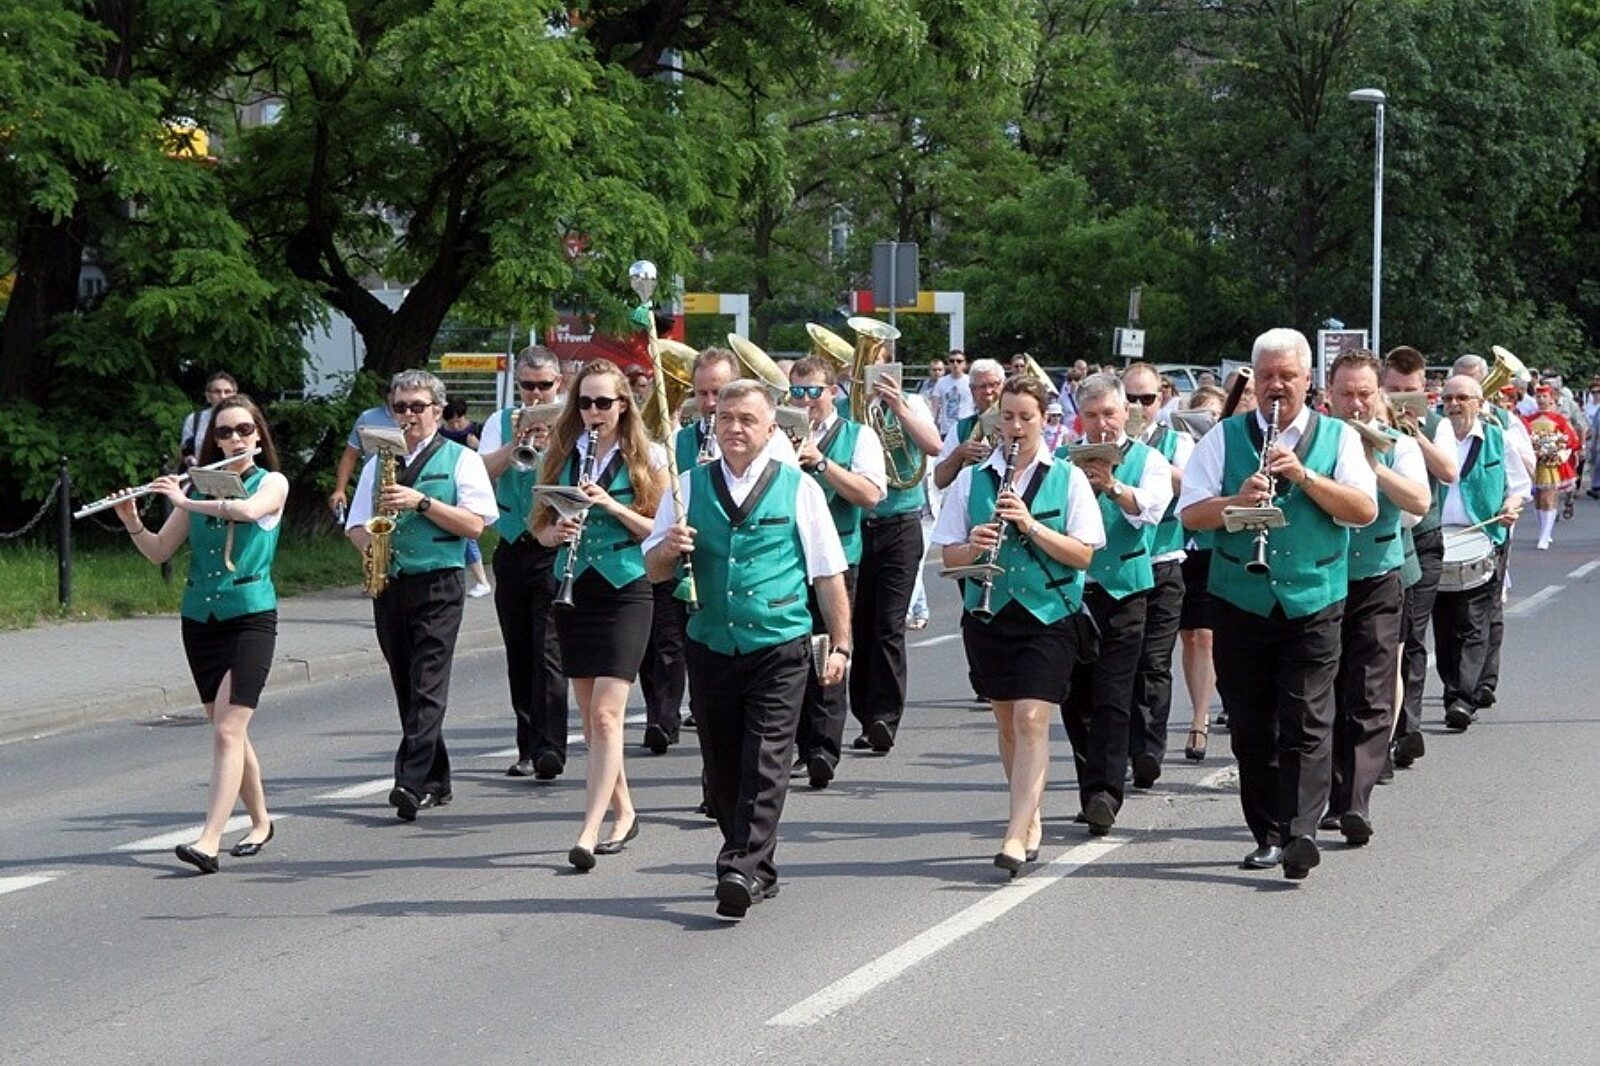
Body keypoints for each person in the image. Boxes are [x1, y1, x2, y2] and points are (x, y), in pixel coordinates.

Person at [644, 380, 851, 919]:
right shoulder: (686, 487)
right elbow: (653, 568)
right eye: (726, 418)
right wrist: (668, 548)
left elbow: (828, 573)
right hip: (711, 642)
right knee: (722, 771)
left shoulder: (799, 488)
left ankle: (736, 865)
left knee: (766, 759)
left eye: (747, 420)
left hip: (779, 643)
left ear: (771, 428)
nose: (734, 428)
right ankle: (761, 868)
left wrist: (842, 645)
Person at [1179, 328, 1377, 881]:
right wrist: (1235, 502)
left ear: (1308, 380)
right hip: (1239, 598)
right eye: (1266, 376)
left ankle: (1300, 832)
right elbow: (1190, 513)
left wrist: (1305, 477)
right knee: (1250, 724)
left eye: (1287, 376)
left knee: (1307, 717)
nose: (1276, 386)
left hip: (1314, 596)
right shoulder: (1224, 438)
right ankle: (1267, 833)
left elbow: (1363, 509)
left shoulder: (1337, 437)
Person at [934, 375, 1103, 874]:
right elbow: (949, 556)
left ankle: (1014, 832)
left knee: (1032, 718)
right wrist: (974, 546)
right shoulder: (972, 479)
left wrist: (1029, 524)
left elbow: (1083, 554)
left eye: (1026, 417)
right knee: (1007, 720)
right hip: (989, 614)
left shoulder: (1068, 477)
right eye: (1007, 417)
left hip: (1049, 613)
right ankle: (1028, 814)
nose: (1015, 427)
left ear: (1045, 420)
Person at [120, 395, 287, 874]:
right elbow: (159, 550)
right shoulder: (196, 487)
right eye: (223, 432)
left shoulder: (271, 482)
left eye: (243, 430)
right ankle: (261, 821)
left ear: (258, 436)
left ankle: (209, 840)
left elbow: (247, 511)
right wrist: (133, 521)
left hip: (250, 614)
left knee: (229, 729)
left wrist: (184, 498)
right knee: (227, 729)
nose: (234, 439)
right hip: (200, 620)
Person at [532, 360, 667, 870]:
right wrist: (555, 532)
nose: (594, 412)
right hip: (576, 588)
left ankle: (588, 831)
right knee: (593, 722)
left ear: (623, 405)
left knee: (608, 715)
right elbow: (538, 525)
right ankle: (625, 811)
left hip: (626, 587)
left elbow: (658, 529)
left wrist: (610, 505)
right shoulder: (563, 453)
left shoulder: (646, 457)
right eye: (585, 402)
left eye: (604, 402)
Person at [346, 370, 498, 822]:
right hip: (391, 582)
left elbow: (476, 524)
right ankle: (437, 778)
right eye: (400, 407)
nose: (408, 415)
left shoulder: (461, 459)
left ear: (437, 410)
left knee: (427, 681)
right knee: (406, 682)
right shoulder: (378, 462)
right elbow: (355, 524)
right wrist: (373, 548)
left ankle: (409, 781)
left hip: (439, 581)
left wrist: (422, 503)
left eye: (417, 407)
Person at [1321, 352, 1430, 846]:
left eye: (1365, 394)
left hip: (1378, 576)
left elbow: (1420, 502)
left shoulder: (1399, 444)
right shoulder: (1315, 441)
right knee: (1323, 691)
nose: (1356, 404)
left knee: (1369, 692)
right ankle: (1325, 794)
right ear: (1328, 396)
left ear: (1379, 395)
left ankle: (1354, 803)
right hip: (1321, 579)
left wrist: (1373, 466)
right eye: (1346, 394)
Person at [1058, 373, 1173, 833]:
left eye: (1109, 413)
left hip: (1125, 590)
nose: (1101, 424)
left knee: (1113, 693)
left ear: (1127, 412)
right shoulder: (1062, 460)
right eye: (1091, 415)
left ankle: (1104, 794)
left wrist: (1112, 486)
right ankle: (1091, 786)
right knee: (1074, 697)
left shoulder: (1148, 459)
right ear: (1079, 419)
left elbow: (1152, 509)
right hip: (1071, 592)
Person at [789, 356, 886, 788]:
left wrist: (822, 463)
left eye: (813, 391)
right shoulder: (777, 432)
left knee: (828, 647)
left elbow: (871, 494)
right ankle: (798, 743)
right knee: (790, 652)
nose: (805, 400)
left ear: (832, 392)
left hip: (837, 558)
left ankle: (822, 750)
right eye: (797, 392)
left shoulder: (858, 435)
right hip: (788, 559)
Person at [479, 347, 570, 779]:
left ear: (559, 383)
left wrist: (550, 444)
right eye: (527, 385)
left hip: (553, 544)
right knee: (519, 651)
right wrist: (516, 444)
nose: (535, 394)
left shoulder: (571, 420)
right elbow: (483, 471)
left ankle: (550, 747)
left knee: (548, 650)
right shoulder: (501, 421)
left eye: (544, 386)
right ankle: (527, 746)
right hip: (513, 545)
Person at [848, 346, 943, 754]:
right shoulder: (848, 409)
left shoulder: (912, 403)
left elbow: (934, 446)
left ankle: (884, 718)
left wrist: (898, 407)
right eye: (866, 363)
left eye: (881, 362)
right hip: (857, 526)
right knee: (859, 626)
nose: (875, 371)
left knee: (888, 626)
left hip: (900, 525)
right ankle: (864, 714)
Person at [1431, 375, 1528, 732]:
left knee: (1474, 622)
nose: (1453, 405)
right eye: (1447, 398)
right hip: (1438, 540)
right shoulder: (1431, 439)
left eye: (1461, 398)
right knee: (1444, 623)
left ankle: (1461, 699)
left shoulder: (1498, 439)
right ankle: (1454, 687)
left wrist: (1510, 505)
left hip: (1486, 537)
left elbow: (1519, 486)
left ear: (1479, 403)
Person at [1382, 346, 1459, 773]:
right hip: (1383, 540)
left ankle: (1406, 729)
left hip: (1423, 538)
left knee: (1411, 636)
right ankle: (1384, 732)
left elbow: (1449, 471)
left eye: (1409, 390)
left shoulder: (1438, 423)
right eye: (1393, 389)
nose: (1400, 398)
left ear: (1424, 389)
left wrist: (1416, 436)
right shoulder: (1368, 421)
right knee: (1384, 641)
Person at [1122, 362, 1193, 789]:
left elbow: (1192, 485)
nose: (1138, 407)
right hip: (1119, 566)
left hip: (1163, 559)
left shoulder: (1175, 441)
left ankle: (1149, 749)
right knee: (1119, 664)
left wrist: (1148, 462)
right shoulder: (1105, 442)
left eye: (1146, 399)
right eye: (1129, 398)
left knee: (1154, 661)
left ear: (1161, 398)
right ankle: (1124, 747)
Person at [1175, 385, 1227, 760]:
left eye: (1215, 415)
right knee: (1189, 638)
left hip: (1213, 547)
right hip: (1181, 548)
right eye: (1202, 414)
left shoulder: (1226, 448)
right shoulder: (1179, 446)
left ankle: (1199, 719)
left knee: (1207, 636)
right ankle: (1201, 705)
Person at [439, 397, 492, 596]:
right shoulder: (441, 435)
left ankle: (482, 580)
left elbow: (489, 460)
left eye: (458, 421)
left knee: (467, 533)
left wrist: (477, 446)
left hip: (471, 488)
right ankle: (478, 580)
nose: (455, 426)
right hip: (448, 487)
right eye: (450, 422)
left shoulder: (477, 430)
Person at [933, 359, 1006, 490]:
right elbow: (939, 480)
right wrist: (959, 454)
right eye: (982, 386)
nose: (988, 392)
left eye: (994, 384)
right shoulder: (960, 428)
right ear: (972, 390)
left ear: (1003, 385)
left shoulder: (1018, 425)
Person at [1522, 385, 1580, 550]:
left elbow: (1570, 439)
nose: (1541, 400)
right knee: (1538, 500)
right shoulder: (1528, 419)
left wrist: (1557, 451)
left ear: (1551, 399)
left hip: (1550, 465)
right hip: (1534, 464)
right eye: (1538, 397)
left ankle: (1544, 536)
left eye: (1544, 396)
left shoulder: (1559, 419)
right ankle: (1544, 531)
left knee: (1548, 498)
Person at [329, 400, 400, 521]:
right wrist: (340, 490)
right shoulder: (368, 417)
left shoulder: (415, 417)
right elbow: (350, 456)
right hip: (374, 490)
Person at [178, 372, 237, 469]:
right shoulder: (194, 420)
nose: (222, 396)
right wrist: (191, 461)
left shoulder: (242, 419)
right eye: (217, 392)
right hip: (200, 473)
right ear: (208, 396)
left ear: (235, 395)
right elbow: (186, 451)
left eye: (227, 392)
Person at [929, 350, 973, 437]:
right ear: (948, 364)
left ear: (965, 364)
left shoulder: (971, 381)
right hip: (947, 430)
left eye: (959, 361)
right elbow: (934, 409)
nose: (955, 364)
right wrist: (932, 428)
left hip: (966, 429)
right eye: (952, 361)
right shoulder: (941, 382)